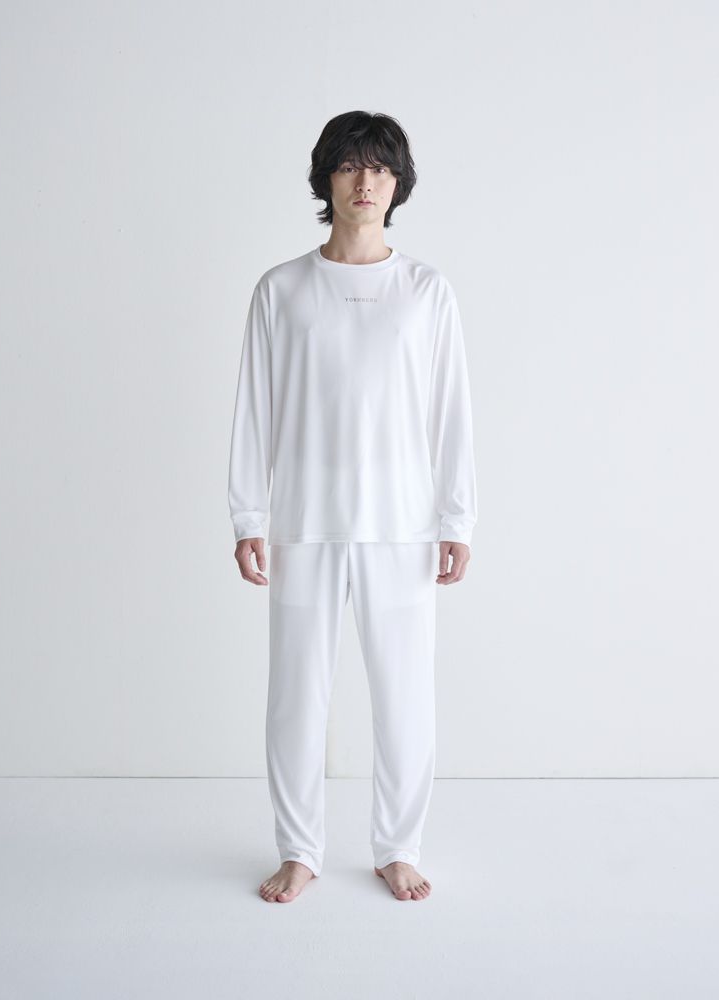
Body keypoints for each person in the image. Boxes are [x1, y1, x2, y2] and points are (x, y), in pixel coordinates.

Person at [227, 110, 477, 903]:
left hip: (401, 529)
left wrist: (457, 519)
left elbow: (451, 412)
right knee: (295, 699)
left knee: (405, 698)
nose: (365, 181)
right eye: (349, 165)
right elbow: (254, 411)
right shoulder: (281, 290)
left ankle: (397, 846)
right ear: (326, 178)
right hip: (303, 525)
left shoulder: (426, 291)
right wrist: (248, 516)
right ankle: (299, 849)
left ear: (398, 183)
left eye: (380, 167)